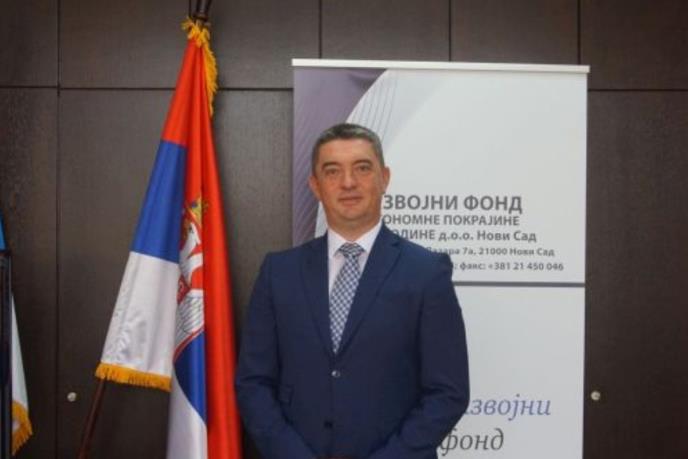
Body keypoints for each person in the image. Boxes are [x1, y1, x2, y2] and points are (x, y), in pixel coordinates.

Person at [235, 123, 469, 459]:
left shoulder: (427, 272)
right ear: (315, 186)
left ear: (384, 178)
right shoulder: (279, 273)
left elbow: (448, 393)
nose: (348, 182)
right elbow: (253, 383)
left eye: (362, 168)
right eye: (332, 171)